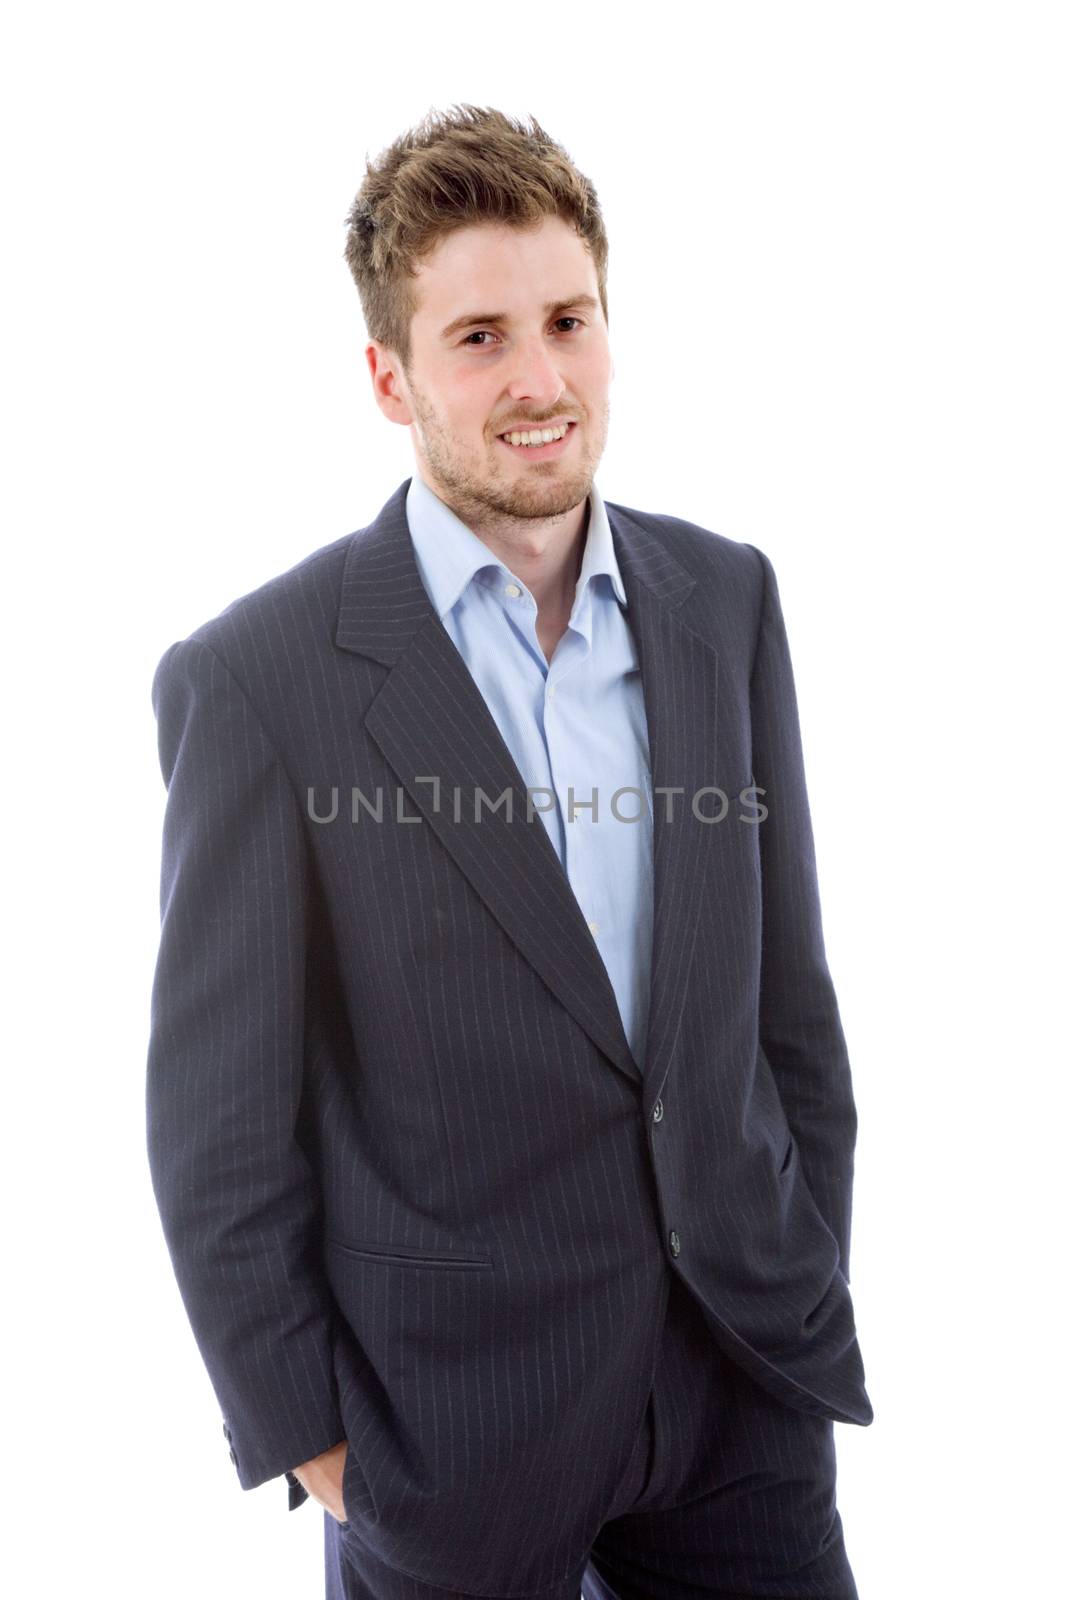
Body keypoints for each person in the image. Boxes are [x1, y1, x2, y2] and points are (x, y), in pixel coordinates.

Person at [146, 103, 873, 1600]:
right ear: (388, 377)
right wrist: (322, 1449)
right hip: (449, 1440)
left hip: (740, 1401)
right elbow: (218, 1130)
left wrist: (800, 1279)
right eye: (479, 336)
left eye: (568, 320)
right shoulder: (261, 682)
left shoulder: (722, 603)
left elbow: (786, 1013)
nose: (541, 381)